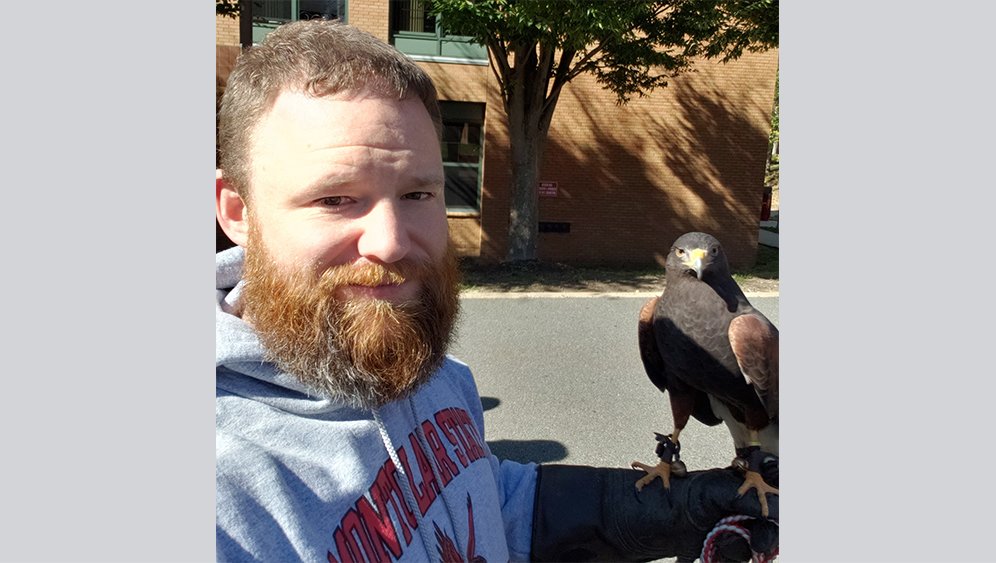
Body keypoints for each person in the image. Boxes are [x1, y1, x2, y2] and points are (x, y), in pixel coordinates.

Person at [215, 20, 777, 562]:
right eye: (335, 199)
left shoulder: (430, 371)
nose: (390, 244)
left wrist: (683, 511)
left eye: (418, 194)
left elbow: (479, 496)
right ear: (237, 213)